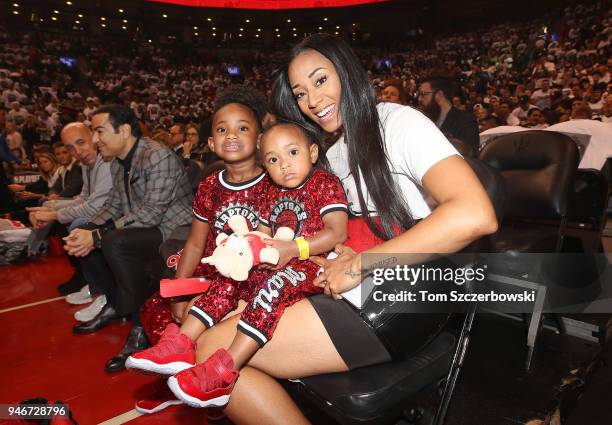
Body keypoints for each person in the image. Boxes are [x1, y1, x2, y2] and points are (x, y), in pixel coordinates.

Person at [187, 34, 497, 425]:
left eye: (320, 81)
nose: (313, 101)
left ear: (347, 73)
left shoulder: (398, 122)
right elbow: (333, 238)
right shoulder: (332, 154)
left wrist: (362, 263)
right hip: (354, 287)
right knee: (220, 335)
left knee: (214, 350)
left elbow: (475, 213)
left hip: (407, 292)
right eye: (300, 93)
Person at [128, 122, 349, 410]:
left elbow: (337, 232)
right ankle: (181, 343)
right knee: (229, 278)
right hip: (275, 261)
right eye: (273, 159)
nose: (284, 165)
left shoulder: (323, 183)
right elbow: (262, 232)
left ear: (313, 151)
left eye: (292, 153)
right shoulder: (272, 191)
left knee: (271, 289)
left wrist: (295, 248)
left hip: (309, 263)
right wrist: (243, 249)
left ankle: (225, 368)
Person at [131, 85, 273, 414]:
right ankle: (176, 377)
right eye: (222, 130)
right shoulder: (210, 184)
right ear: (211, 143)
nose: (232, 135)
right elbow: (195, 242)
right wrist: (179, 292)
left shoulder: (272, 182)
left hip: (249, 282)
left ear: (260, 138)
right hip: (211, 274)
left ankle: (207, 391)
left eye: (242, 128)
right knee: (156, 307)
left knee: (203, 319)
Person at [64, 104, 193, 373]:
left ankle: (140, 324)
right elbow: (113, 206)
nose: (96, 139)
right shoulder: (117, 162)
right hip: (148, 223)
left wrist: (98, 235)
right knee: (84, 228)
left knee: (112, 241)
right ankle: (115, 303)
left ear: (123, 130)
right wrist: (89, 228)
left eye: (99, 131)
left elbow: (151, 213)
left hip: (173, 229)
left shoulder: (157, 156)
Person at [26, 123, 112, 299]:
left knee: (79, 225)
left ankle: (101, 290)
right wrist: (51, 207)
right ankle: (88, 279)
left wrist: (54, 214)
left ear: (93, 137)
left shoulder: (106, 162)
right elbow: (84, 198)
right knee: (64, 217)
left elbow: (94, 206)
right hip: (104, 211)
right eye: (71, 148)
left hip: (116, 215)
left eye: (81, 142)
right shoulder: (88, 163)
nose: (77, 151)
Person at [418, 76, 480, 156]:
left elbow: (470, 155)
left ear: (439, 95)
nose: (419, 99)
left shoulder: (465, 120)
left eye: (424, 94)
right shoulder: (425, 121)